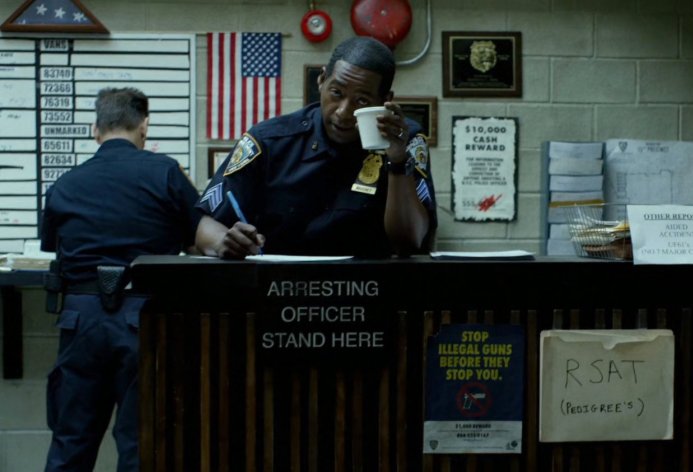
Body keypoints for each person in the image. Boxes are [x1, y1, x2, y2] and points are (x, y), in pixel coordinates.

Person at [40, 87, 203, 471]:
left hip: (80, 320)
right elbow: (200, 236)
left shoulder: (65, 184)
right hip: (142, 317)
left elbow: (53, 244)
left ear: (95, 129)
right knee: (141, 444)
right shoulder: (165, 172)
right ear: (144, 126)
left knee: (70, 444)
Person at [195, 36, 437, 258]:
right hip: (278, 289)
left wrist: (397, 161)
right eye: (336, 93)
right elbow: (205, 227)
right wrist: (223, 242)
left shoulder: (404, 140)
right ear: (321, 80)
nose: (344, 111)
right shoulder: (269, 141)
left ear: (385, 101)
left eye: (362, 100)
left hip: (368, 291)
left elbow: (411, 241)